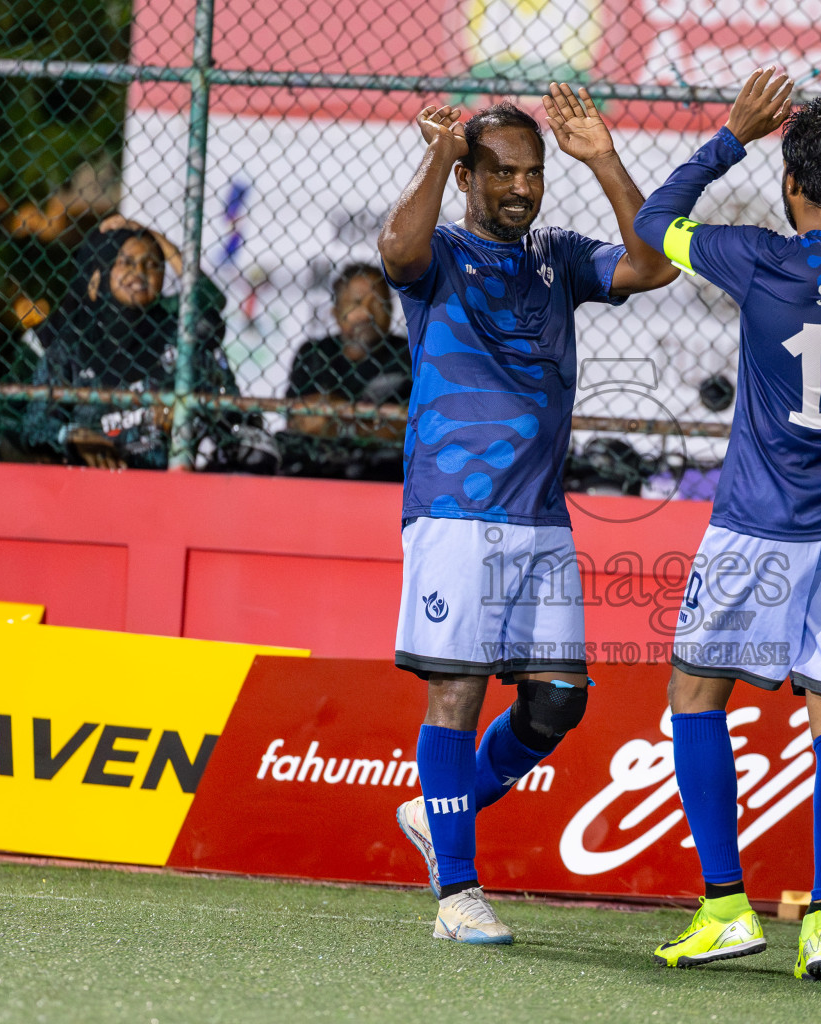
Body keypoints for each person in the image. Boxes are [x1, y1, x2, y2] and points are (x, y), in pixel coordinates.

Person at [632, 62, 821, 981]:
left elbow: (651, 223)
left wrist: (730, 136)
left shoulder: (759, 257)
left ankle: (726, 905)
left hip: (761, 523)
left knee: (694, 693)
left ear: (792, 184)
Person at [380, 89, 678, 945]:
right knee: (458, 692)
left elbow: (653, 265)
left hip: (542, 517)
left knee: (556, 704)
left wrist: (603, 159)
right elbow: (393, 250)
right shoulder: (438, 251)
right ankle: (458, 895)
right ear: (470, 175)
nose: (521, 187)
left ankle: (441, 813)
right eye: (502, 171)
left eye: (533, 172)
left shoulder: (559, 255)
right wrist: (438, 156)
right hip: (457, 510)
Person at [21, 218, 235, 470]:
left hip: (169, 483)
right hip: (91, 486)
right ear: (100, 275)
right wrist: (72, 435)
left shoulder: (177, 333)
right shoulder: (71, 345)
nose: (140, 271)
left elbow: (210, 300)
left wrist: (186, 416)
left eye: (153, 264)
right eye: (126, 262)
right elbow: (32, 427)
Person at [279, 263, 410, 480]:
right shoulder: (314, 354)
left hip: (387, 471)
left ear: (390, 309)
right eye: (356, 303)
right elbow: (300, 422)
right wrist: (372, 424)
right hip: (319, 470)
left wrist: (338, 422)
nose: (366, 314)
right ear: (336, 311)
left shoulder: (409, 355)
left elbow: (410, 430)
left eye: (377, 303)